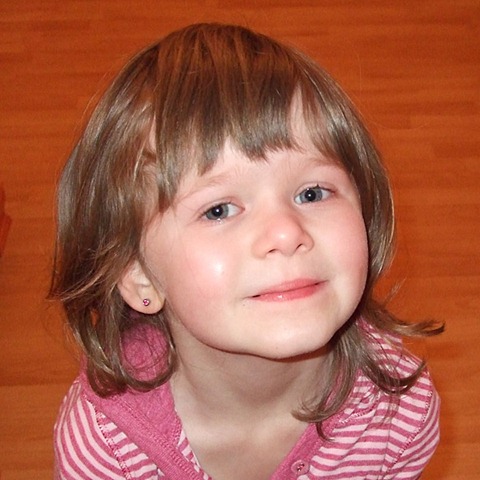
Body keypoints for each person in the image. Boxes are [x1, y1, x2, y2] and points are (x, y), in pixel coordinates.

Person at [50, 23, 443, 480]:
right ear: (139, 275)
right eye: (218, 210)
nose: (286, 233)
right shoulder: (104, 448)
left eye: (312, 193)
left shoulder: (400, 412)